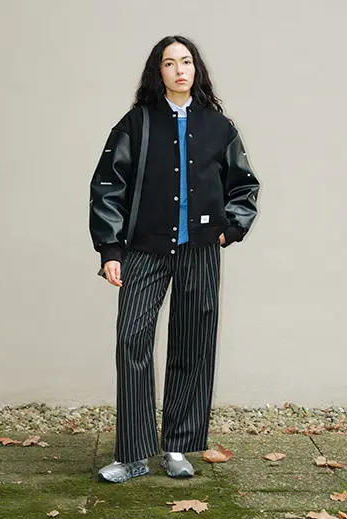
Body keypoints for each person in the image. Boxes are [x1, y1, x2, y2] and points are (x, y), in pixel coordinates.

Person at [88, 35, 261, 483]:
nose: (180, 69)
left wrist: (230, 229)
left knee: (193, 346)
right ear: (158, 72)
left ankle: (179, 447)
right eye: (170, 63)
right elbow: (109, 186)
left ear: (196, 69)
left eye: (186, 61)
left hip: (200, 251)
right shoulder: (137, 124)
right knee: (132, 342)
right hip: (144, 249)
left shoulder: (219, 127)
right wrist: (111, 248)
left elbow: (244, 185)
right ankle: (133, 454)